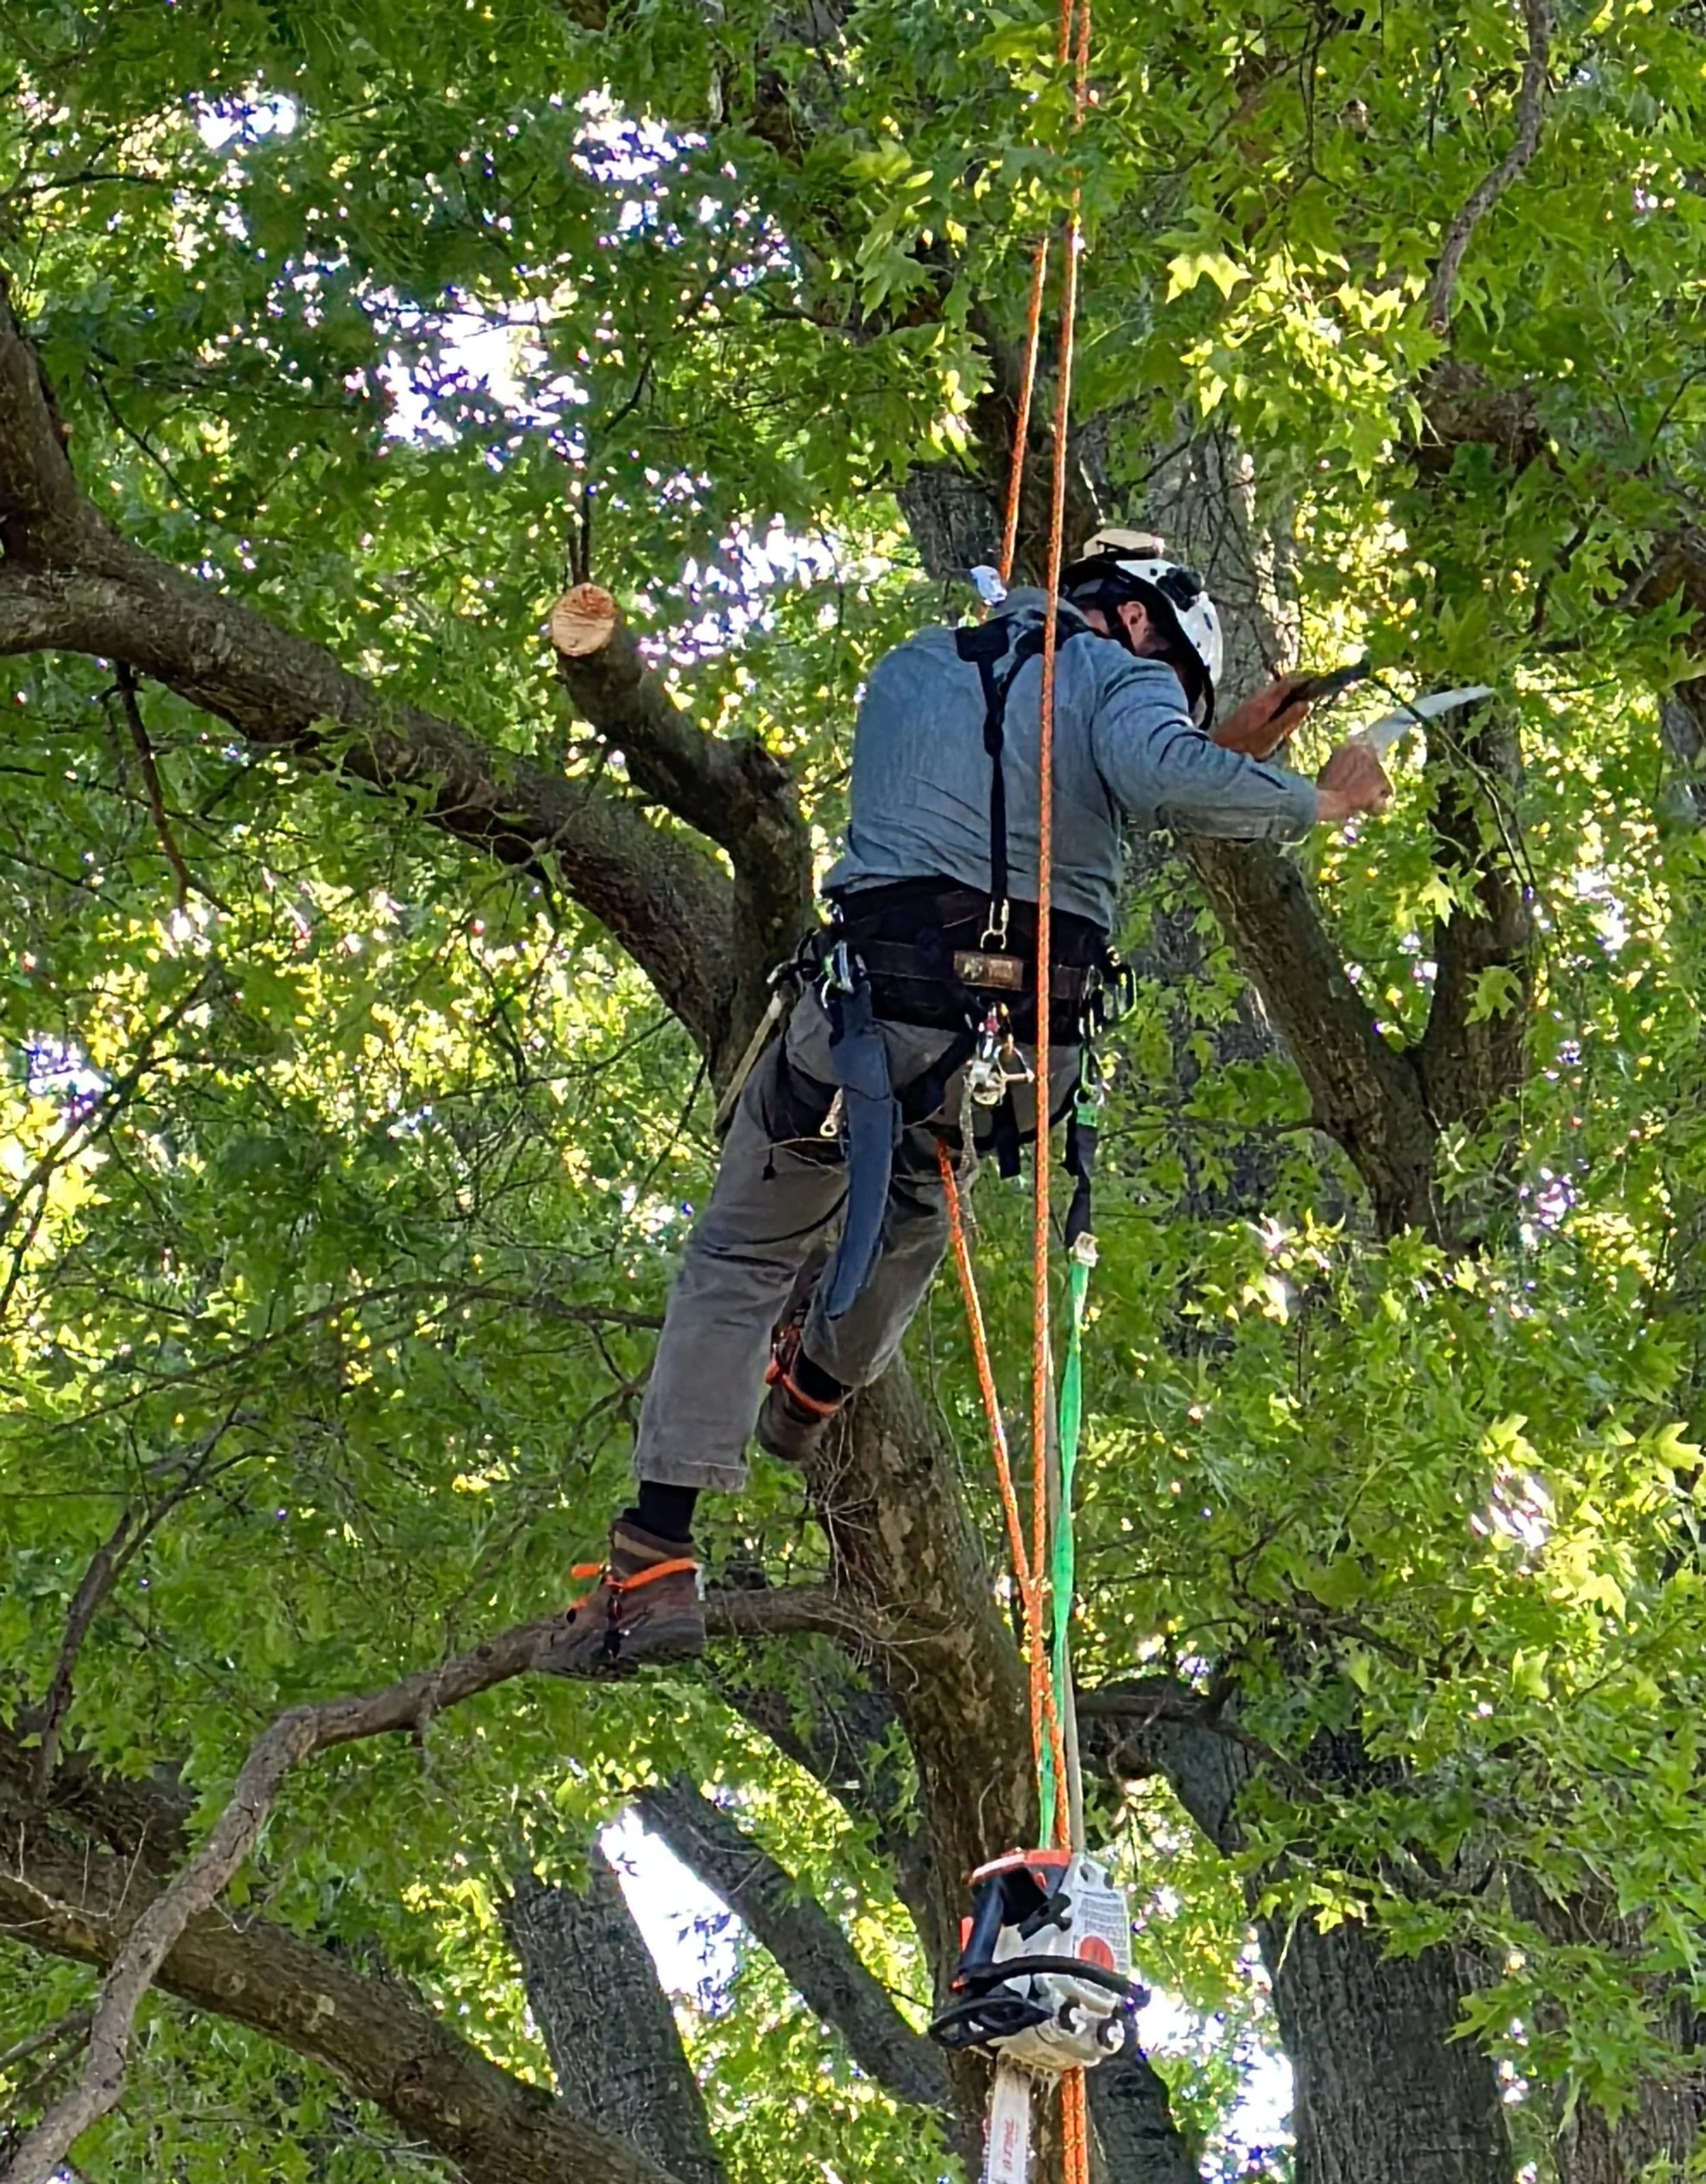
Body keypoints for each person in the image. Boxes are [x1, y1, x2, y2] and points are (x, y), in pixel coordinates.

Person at [538, 532, 1392, 1674]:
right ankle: (818, 1384)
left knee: (745, 1254)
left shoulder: (913, 667)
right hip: (1021, 1057)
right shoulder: (1120, 675)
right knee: (920, 1204)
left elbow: (1022, 780)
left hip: (870, 1024)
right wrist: (1318, 798)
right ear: (1140, 622)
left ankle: (655, 1554)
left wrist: (1207, 747)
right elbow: (1137, 767)